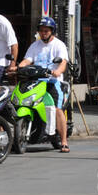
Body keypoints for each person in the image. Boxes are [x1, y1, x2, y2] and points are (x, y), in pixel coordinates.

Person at [18, 16, 71, 153]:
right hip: (36, 80)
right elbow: (27, 60)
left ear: (52, 31)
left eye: (46, 30)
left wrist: (58, 71)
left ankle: (64, 141)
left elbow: (63, 63)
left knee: (57, 109)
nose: (43, 33)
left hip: (53, 82)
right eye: (41, 30)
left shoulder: (59, 45)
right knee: (23, 102)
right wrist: (19, 67)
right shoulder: (35, 45)